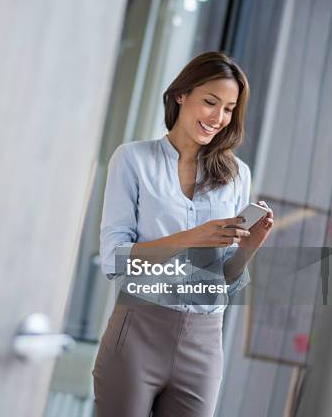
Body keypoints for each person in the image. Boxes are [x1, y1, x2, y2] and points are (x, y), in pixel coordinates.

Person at [92, 51, 274, 417]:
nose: (217, 118)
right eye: (210, 102)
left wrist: (248, 249)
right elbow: (114, 258)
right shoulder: (132, 160)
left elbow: (223, 281)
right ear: (181, 95)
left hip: (204, 344)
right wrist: (192, 237)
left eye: (228, 109)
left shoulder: (238, 175)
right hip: (137, 334)